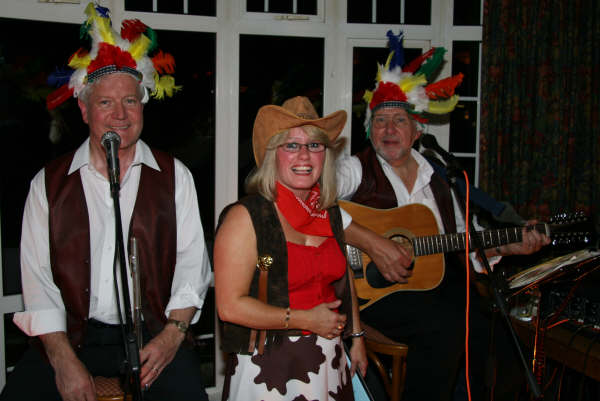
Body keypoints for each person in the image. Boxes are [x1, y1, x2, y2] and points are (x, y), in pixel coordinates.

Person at [0, 5, 211, 401]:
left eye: (130, 101)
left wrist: (172, 337)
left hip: (154, 331)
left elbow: (190, 264)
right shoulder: (47, 185)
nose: (120, 115)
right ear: (83, 109)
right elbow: (38, 281)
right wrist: (62, 360)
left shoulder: (174, 175)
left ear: (143, 106)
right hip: (72, 337)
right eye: (105, 103)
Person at [337, 31, 550, 401]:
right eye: (380, 121)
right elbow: (311, 199)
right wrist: (373, 243)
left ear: (418, 129)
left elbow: (466, 242)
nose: (389, 129)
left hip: (433, 291)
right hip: (369, 294)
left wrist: (512, 246)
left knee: (494, 328)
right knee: (446, 323)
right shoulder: (355, 170)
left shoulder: (439, 176)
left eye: (399, 120)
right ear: (369, 129)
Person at [214, 96, 368, 401]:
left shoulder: (330, 213)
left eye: (314, 145)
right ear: (273, 154)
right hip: (270, 365)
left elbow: (342, 276)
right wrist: (305, 319)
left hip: (330, 360)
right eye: (291, 145)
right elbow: (229, 307)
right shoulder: (246, 217)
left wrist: (357, 336)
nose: (305, 156)